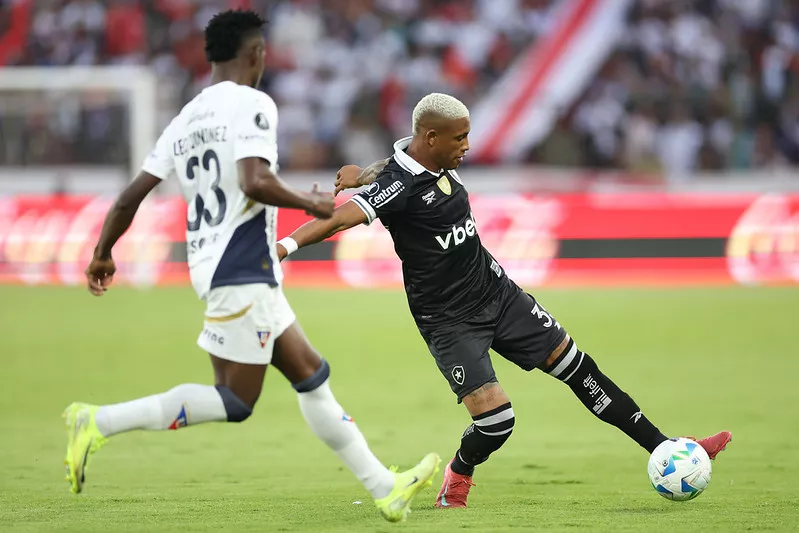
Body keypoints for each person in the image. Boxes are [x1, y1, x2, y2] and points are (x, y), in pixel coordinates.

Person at [63, 10, 439, 523]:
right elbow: (253, 181)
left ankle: (385, 488)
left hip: (221, 266)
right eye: (263, 49)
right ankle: (98, 421)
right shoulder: (253, 104)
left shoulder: (187, 116)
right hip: (240, 267)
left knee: (311, 375)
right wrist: (311, 204)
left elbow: (131, 196)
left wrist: (103, 252)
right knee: (236, 401)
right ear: (255, 54)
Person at [276, 92, 732, 509]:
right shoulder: (396, 187)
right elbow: (338, 220)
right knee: (498, 423)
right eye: (460, 137)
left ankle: (665, 448)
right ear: (432, 137)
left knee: (580, 369)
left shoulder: (428, 159)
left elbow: (402, 161)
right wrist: (282, 249)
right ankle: (459, 471)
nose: (467, 146)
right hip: (449, 321)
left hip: (498, 293)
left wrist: (366, 170)